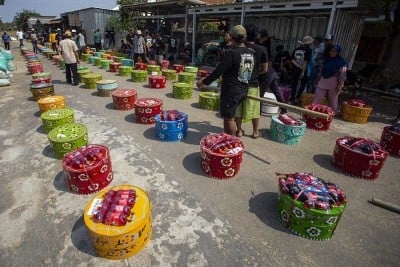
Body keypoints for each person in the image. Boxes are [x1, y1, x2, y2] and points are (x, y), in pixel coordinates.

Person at [196, 25, 255, 136]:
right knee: (231, 116)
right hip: (243, 89)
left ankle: (230, 141)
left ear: (232, 37)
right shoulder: (250, 52)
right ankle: (228, 138)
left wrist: (203, 82)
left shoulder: (232, 53)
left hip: (232, 91)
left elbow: (218, 72)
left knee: (229, 118)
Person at [235, 24, 268, 139]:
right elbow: (265, 69)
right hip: (253, 84)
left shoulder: (238, 48)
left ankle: (239, 131)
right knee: (254, 108)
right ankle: (255, 132)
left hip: (239, 83)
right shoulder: (261, 49)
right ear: (257, 36)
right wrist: (254, 74)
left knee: (238, 108)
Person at [312, 45, 347, 113]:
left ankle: (332, 115)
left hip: (334, 83)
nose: (332, 53)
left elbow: (342, 75)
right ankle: (311, 112)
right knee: (317, 98)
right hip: (323, 81)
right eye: (331, 51)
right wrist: (317, 81)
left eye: (334, 51)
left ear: (338, 52)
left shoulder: (341, 62)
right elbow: (320, 72)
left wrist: (340, 85)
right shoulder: (325, 60)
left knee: (333, 101)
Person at [290, 35, 313, 105]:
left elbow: (292, 60)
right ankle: (297, 98)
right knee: (302, 84)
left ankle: (292, 98)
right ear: (309, 43)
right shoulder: (309, 50)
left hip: (295, 69)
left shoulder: (296, 49)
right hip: (303, 69)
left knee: (294, 84)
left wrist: (298, 66)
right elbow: (305, 61)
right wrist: (303, 71)